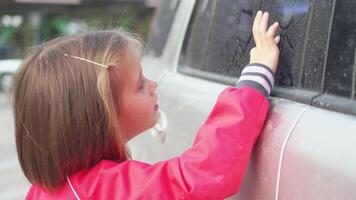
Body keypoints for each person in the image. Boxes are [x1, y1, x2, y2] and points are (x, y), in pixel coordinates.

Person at [13, 11, 280, 199]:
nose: (153, 85)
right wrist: (256, 77)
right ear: (101, 117)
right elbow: (199, 177)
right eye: (140, 84)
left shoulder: (46, 189)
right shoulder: (103, 190)